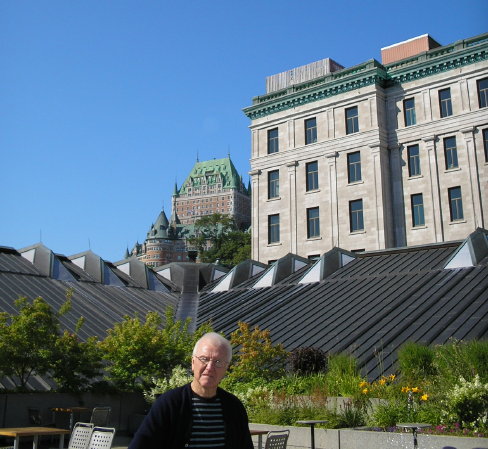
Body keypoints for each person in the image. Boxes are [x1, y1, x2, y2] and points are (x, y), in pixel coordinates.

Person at [128, 332, 254, 449]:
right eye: (204, 359)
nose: (210, 367)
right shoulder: (169, 404)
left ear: (226, 368)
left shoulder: (234, 407)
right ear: (193, 363)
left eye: (218, 362)